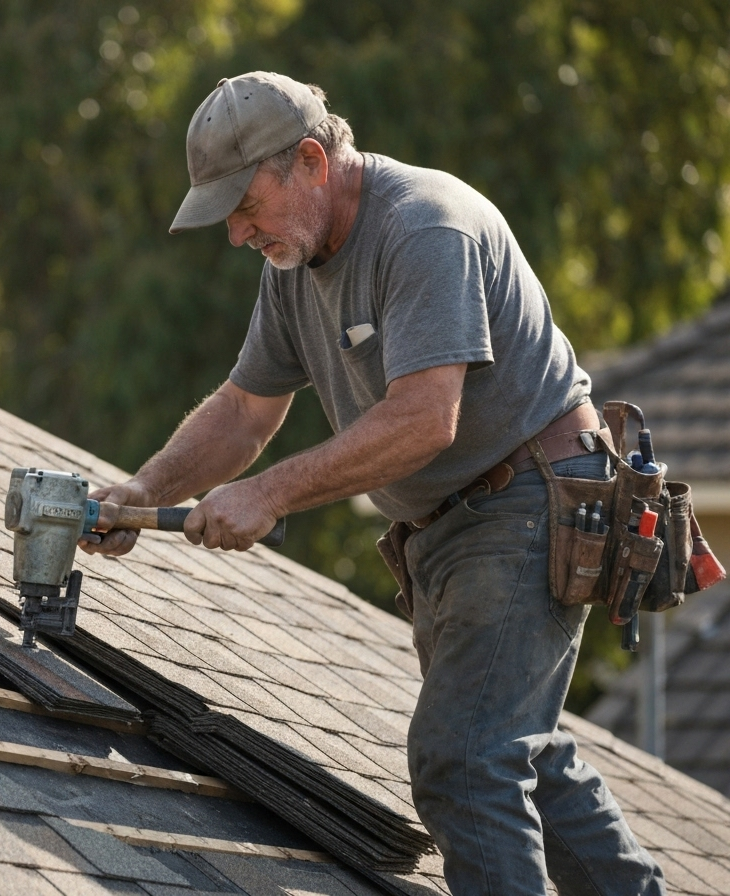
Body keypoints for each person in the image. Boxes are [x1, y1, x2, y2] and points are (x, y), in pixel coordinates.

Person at [79, 71, 664, 895]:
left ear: (311, 161)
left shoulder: (425, 226)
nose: (238, 233)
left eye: (245, 207)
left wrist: (268, 494)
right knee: (515, 748)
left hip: (534, 497)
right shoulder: (291, 266)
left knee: (466, 758)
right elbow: (246, 410)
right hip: (450, 526)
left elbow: (427, 419)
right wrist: (140, 492)